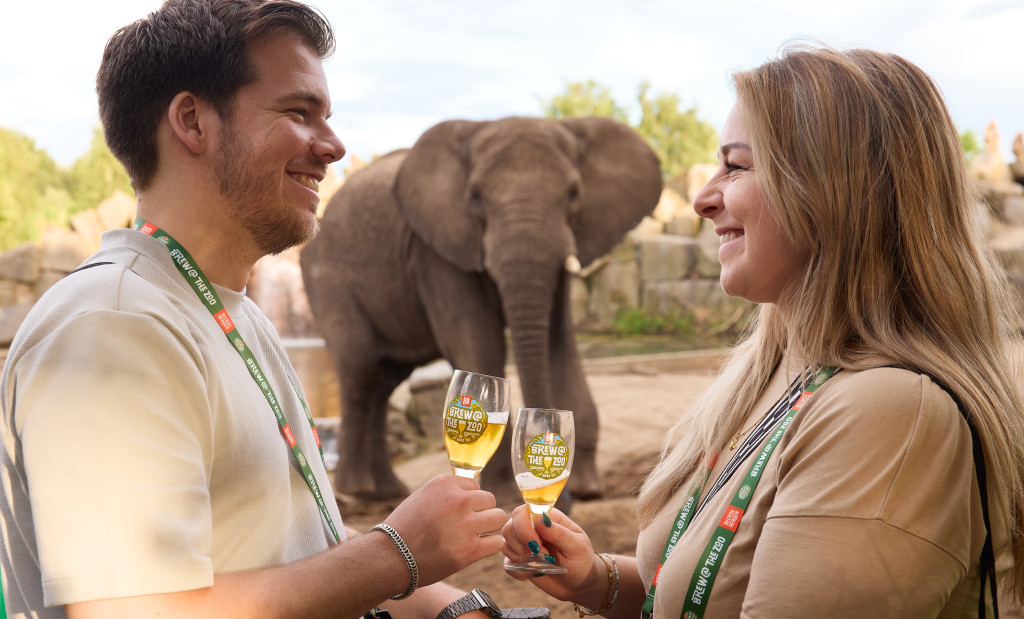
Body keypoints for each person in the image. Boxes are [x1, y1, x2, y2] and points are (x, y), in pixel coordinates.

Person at [0, 1, 509, 618]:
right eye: (299, 112)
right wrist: (396, 553)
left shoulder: (227, 311)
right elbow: (134, 610)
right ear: (192, 121)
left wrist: (465, 611)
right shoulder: (115, 327)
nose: (335, 146)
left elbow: (294, 548)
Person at [502, 44, 1024, 618]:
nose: (703, 199)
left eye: (737, 165)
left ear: (833, 190)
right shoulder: (777, 373)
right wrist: (599, 582)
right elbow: (715, 592)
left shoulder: (894, 414)